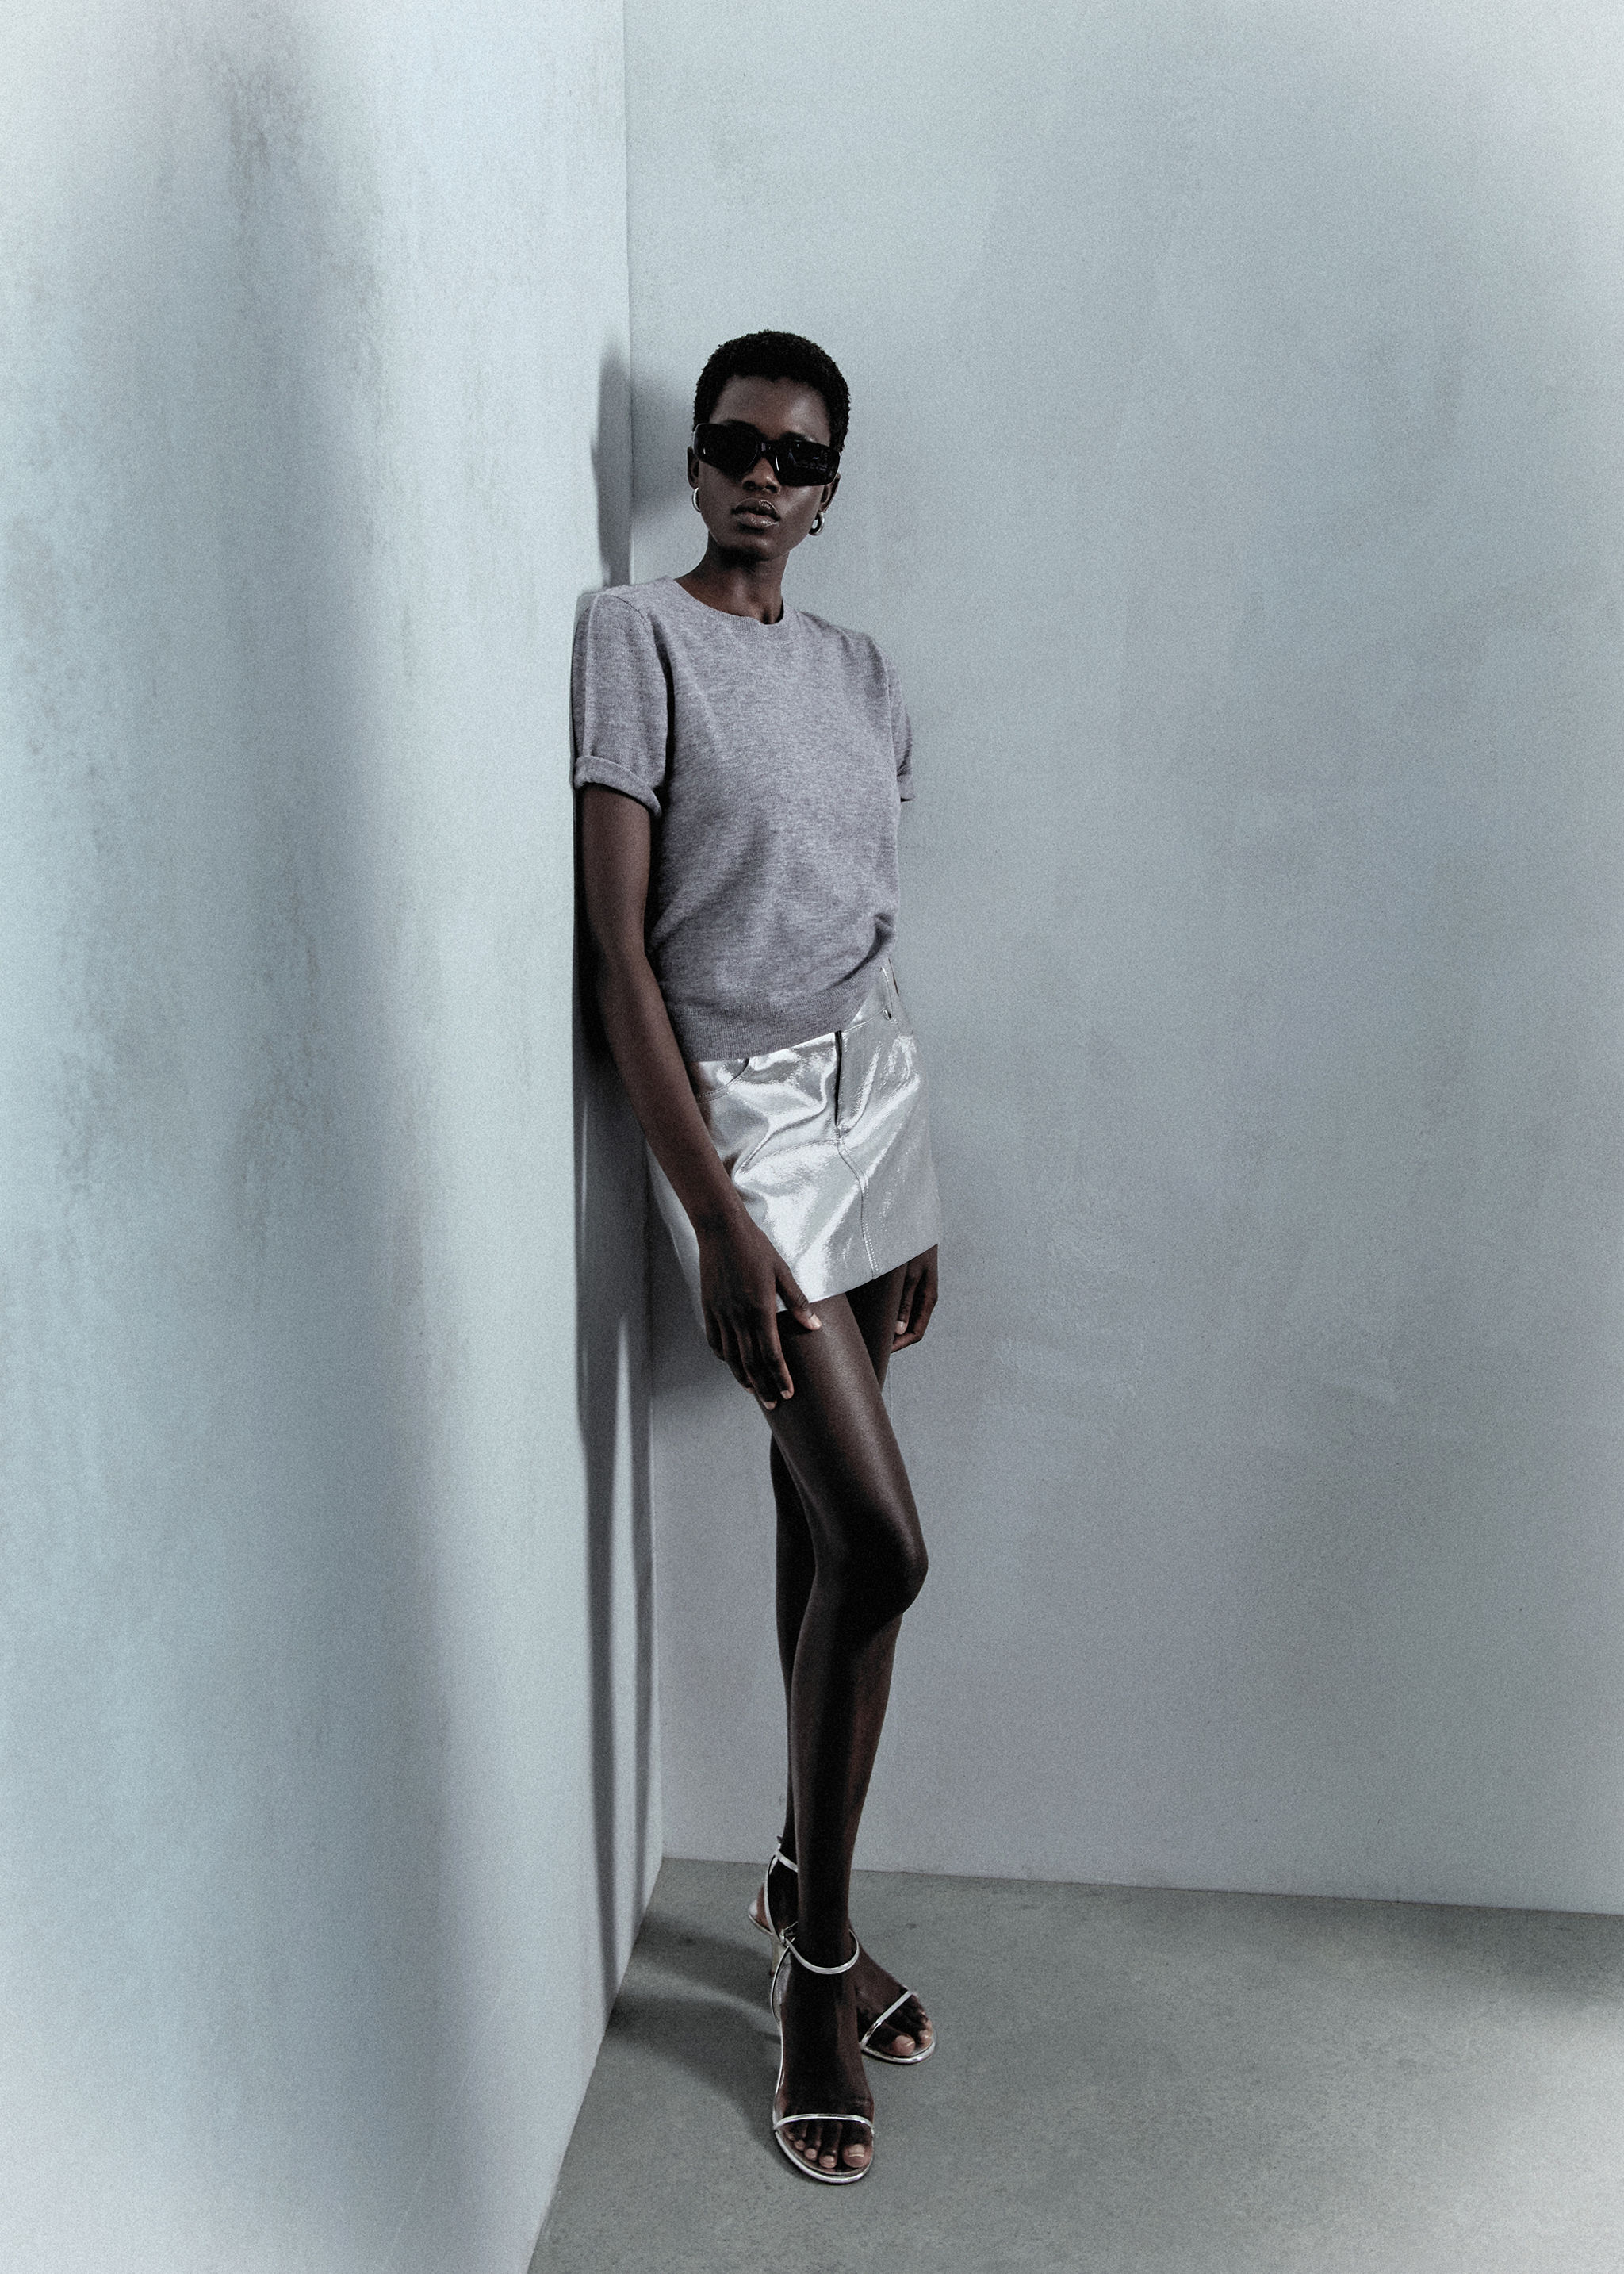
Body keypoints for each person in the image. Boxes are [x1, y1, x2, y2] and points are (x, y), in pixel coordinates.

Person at [573, 330, 940, 2184]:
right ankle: (811, 1963)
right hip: (746, 1130)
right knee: (886, 1547)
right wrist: (717, 1212)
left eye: (796, 459)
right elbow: (622, 960)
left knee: (823, 1532)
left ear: (829, 490)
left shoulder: (865, 673)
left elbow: (863, 923)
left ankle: (808, 1886)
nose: (759, 479)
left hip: (872, 1106)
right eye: (732, 445)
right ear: (694, 463)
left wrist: (914, 1185)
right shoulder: (633, 637)